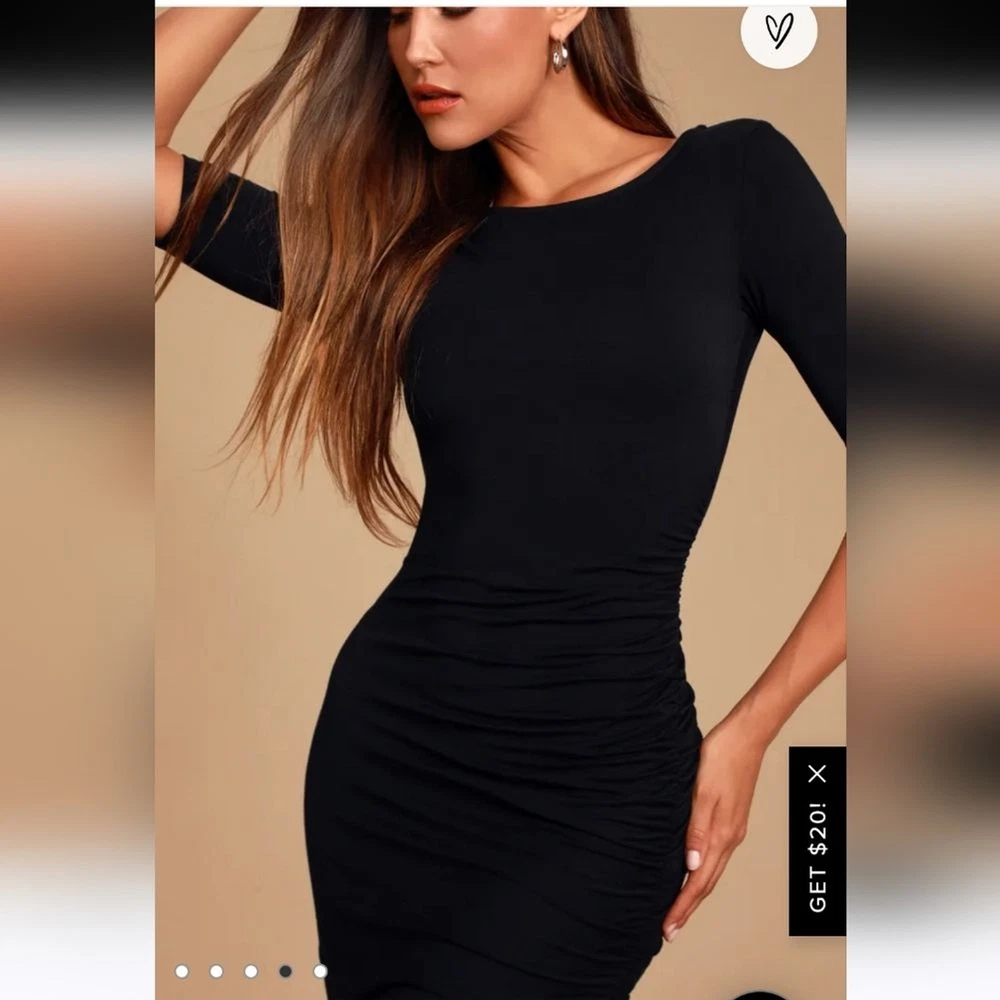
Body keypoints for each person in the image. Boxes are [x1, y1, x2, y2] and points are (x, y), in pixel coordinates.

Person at [155, 7, 846, 998]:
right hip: (391, 769)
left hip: (598, 795)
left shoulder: (735, 185)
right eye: (394, 14)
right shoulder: (403, 253)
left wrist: (753, 727)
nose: (416, 46)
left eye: (453, 7)